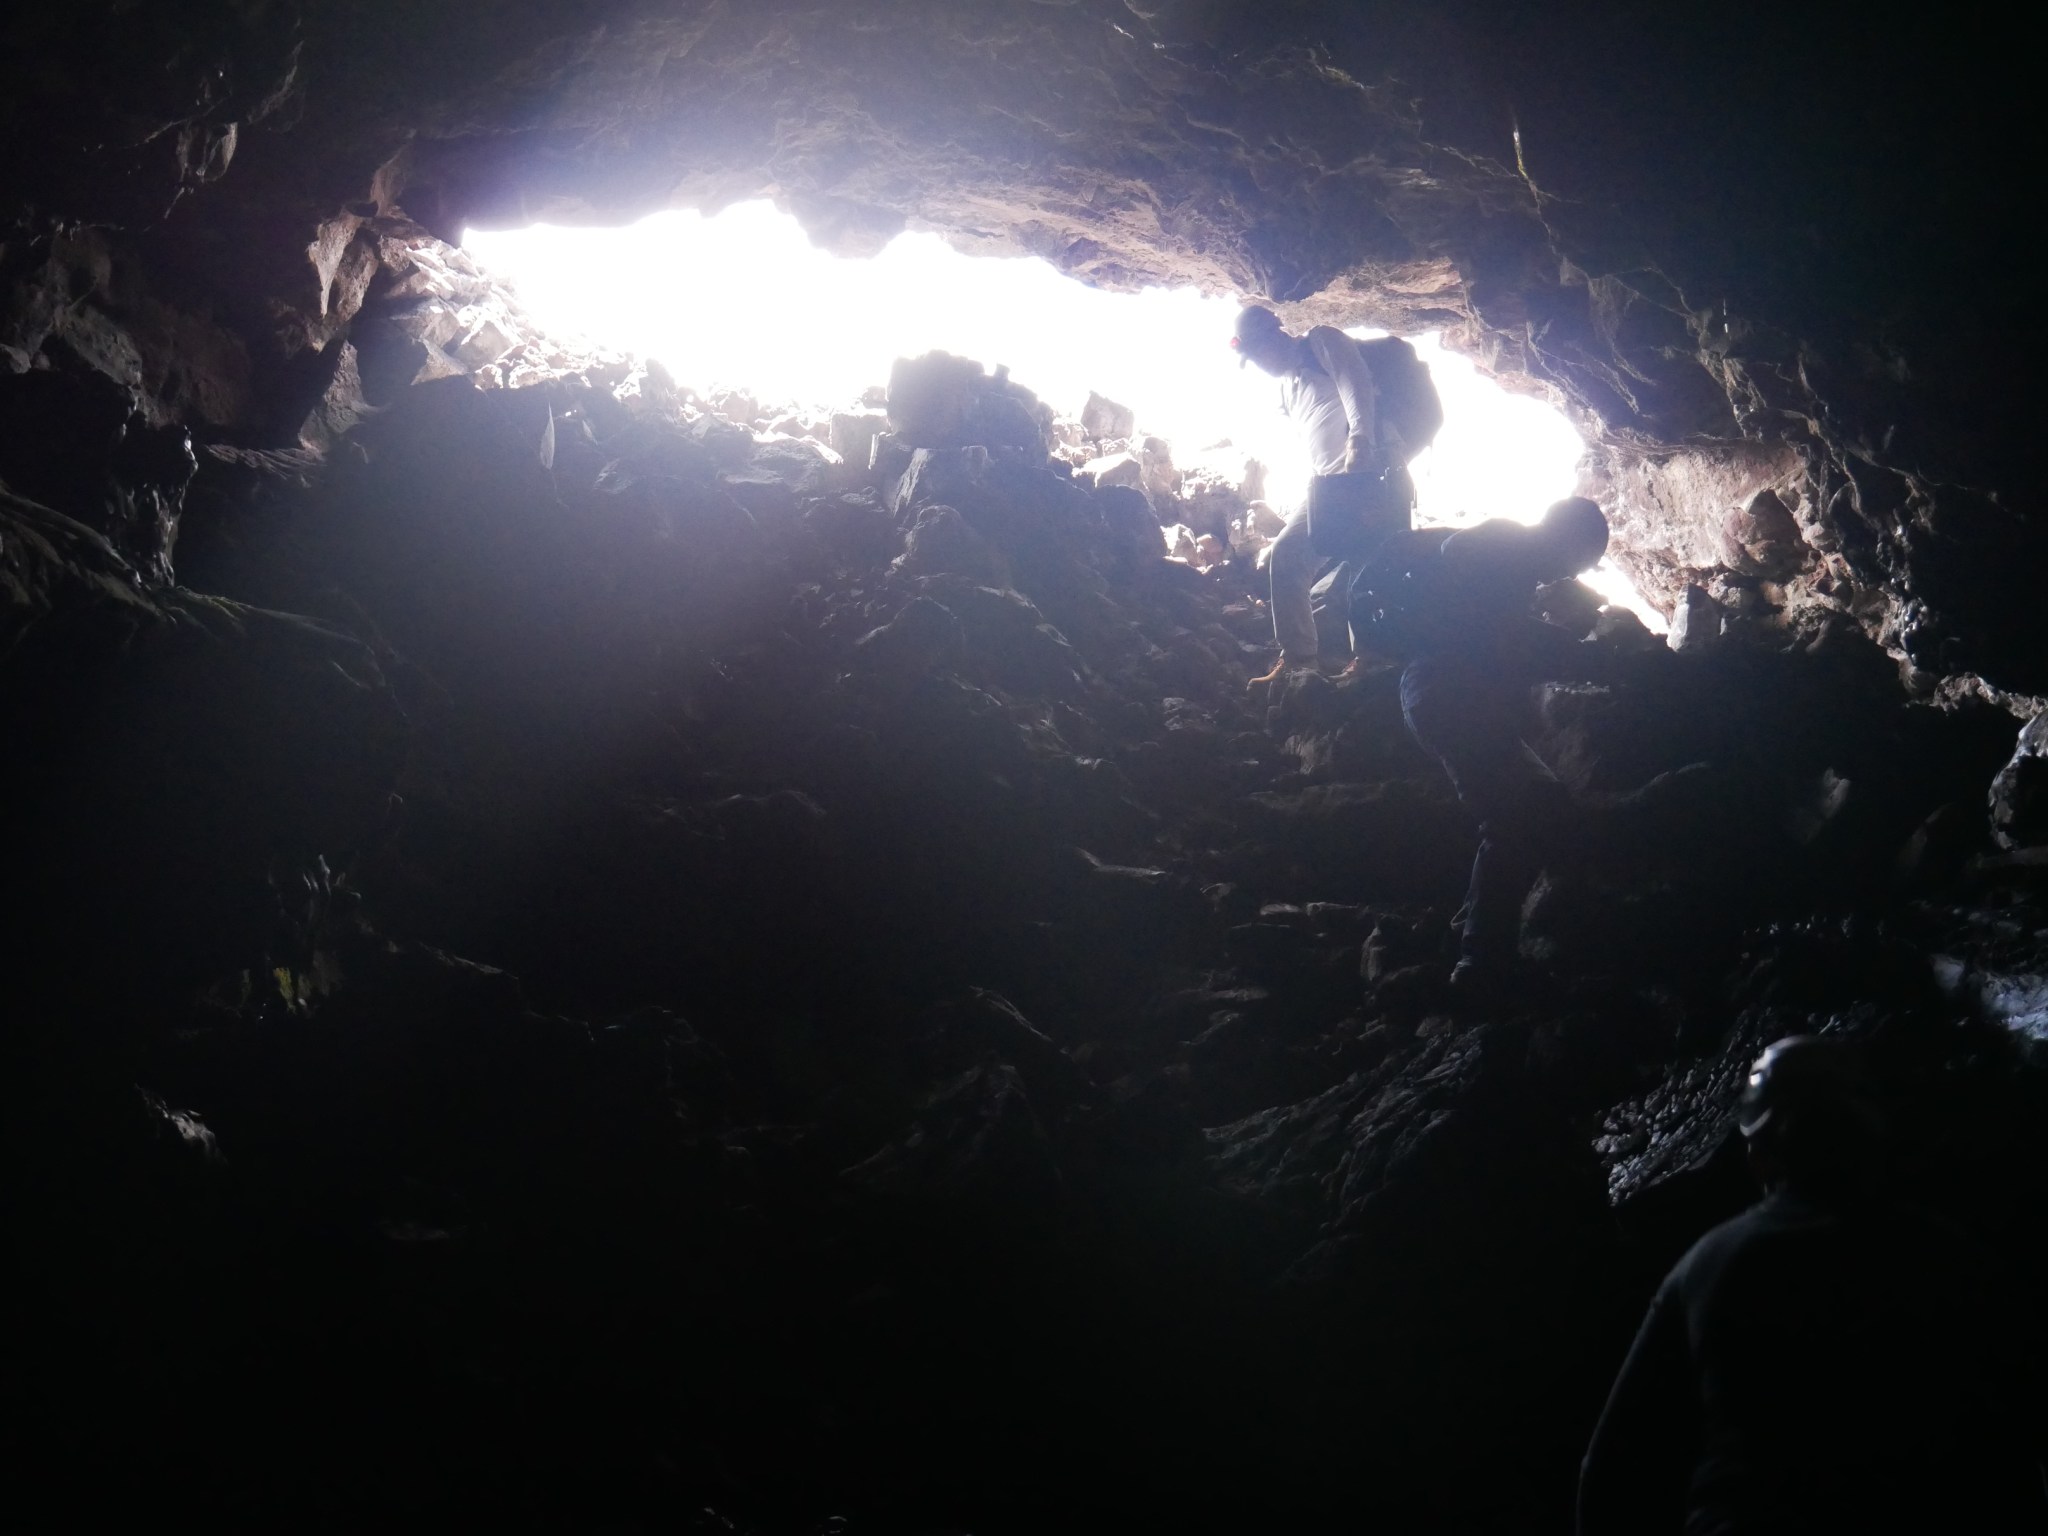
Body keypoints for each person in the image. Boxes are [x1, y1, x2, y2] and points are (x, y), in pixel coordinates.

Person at [1578, 1034, 2048, 1535]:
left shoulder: (1708, 1267)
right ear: (1871, 1136)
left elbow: (1614, 1467)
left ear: (1758, 1153)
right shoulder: (1952, 1258)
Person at [1353, 496, 1614, 989]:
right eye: (1579, 561)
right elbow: (1502, 639)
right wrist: (1595, 656)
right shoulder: (1501, 553)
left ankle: (1477, 931)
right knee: (1510, 823)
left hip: (1441, 698)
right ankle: (1479, 964)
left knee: (1544, 806)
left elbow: (1501, 636)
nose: (1570, 575)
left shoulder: (1503, 556)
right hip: (1452, 700)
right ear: (1567, 540)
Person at [1230, 304, 1416, 684]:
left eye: (1257, 352)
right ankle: (1299, 661)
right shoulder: (1286, 388)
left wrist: (1360, 440)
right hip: (1330, 486)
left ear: (1275, 335)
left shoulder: (1321, 341)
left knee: (1371, 567)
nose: (1260, 364)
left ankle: (1369, 662)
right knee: (1286, 555)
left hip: (1373, 469)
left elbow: (1356, 381)